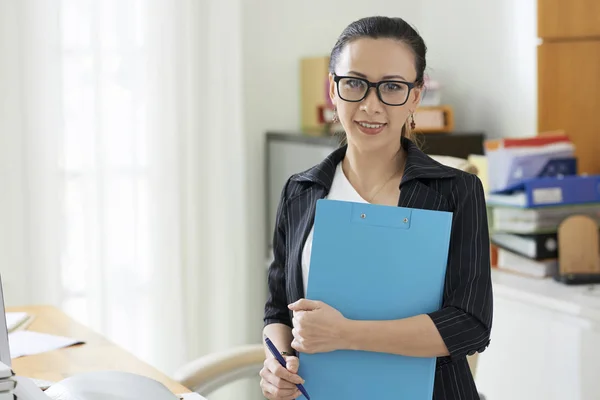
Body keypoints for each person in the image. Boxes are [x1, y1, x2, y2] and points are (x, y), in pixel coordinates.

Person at [261, 15, 492, 400]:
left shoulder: (457, 191)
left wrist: (345, 333)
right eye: (354, 83)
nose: (371, 105)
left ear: (415, 96)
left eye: (392, 87)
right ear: (333, 90)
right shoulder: (301, 190)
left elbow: (470, 324)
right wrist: (278, 364)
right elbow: (278, 312)